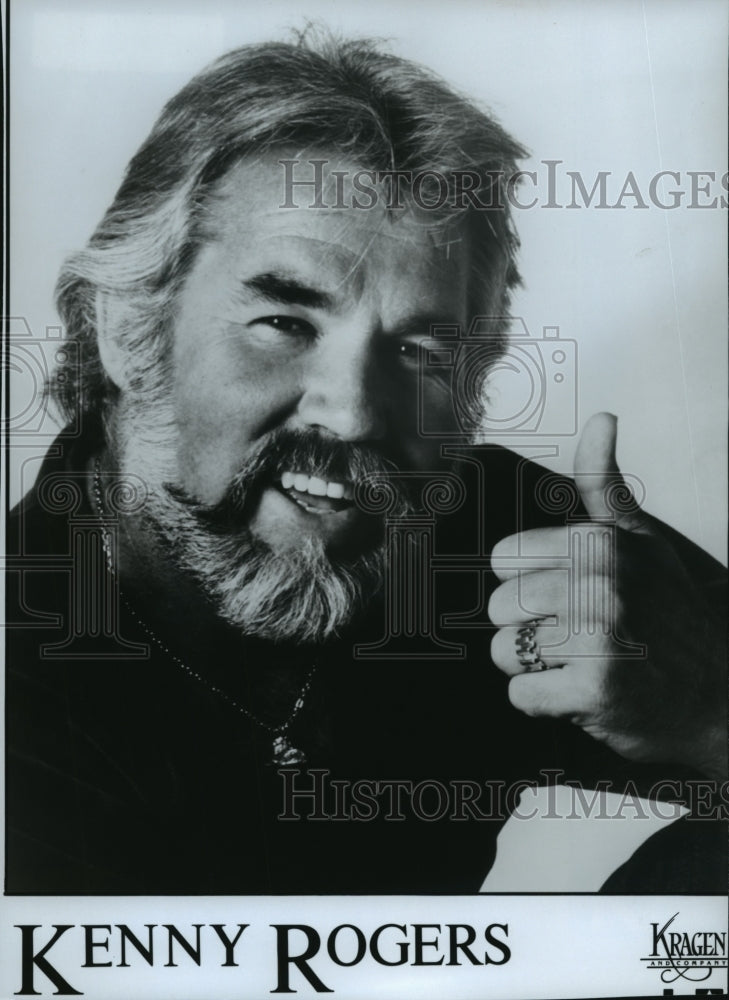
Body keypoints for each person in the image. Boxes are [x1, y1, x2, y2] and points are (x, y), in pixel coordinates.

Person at [6, 31, 726, 894]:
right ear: (126, 331)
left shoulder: (490, 533)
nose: (351, 414)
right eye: (284, 324)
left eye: (421, 351)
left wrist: (709, 720)